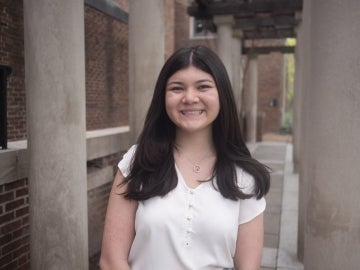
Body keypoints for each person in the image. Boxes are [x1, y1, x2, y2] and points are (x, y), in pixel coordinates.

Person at [99, 45, 270, 270]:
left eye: (203, 87)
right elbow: (112, 261)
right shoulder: (137, 162)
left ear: (222, 95)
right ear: (164, 97)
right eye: (177, 88)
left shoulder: (245, 177)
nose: (190, 98)